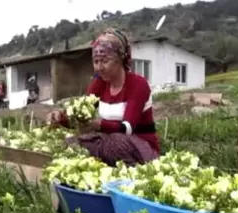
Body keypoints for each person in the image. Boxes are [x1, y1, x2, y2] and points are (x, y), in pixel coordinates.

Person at [46, 28, 159, 166]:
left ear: (119, 59)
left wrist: (98, 125)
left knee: (116, 142)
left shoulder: (138, 84)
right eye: (96, 61)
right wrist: (61, 118)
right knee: (71, 143)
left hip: (139, 146)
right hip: (109, 141)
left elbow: (127, 128)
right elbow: (81, 115)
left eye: (105, 61)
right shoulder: (99, 83)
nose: (99, 67)